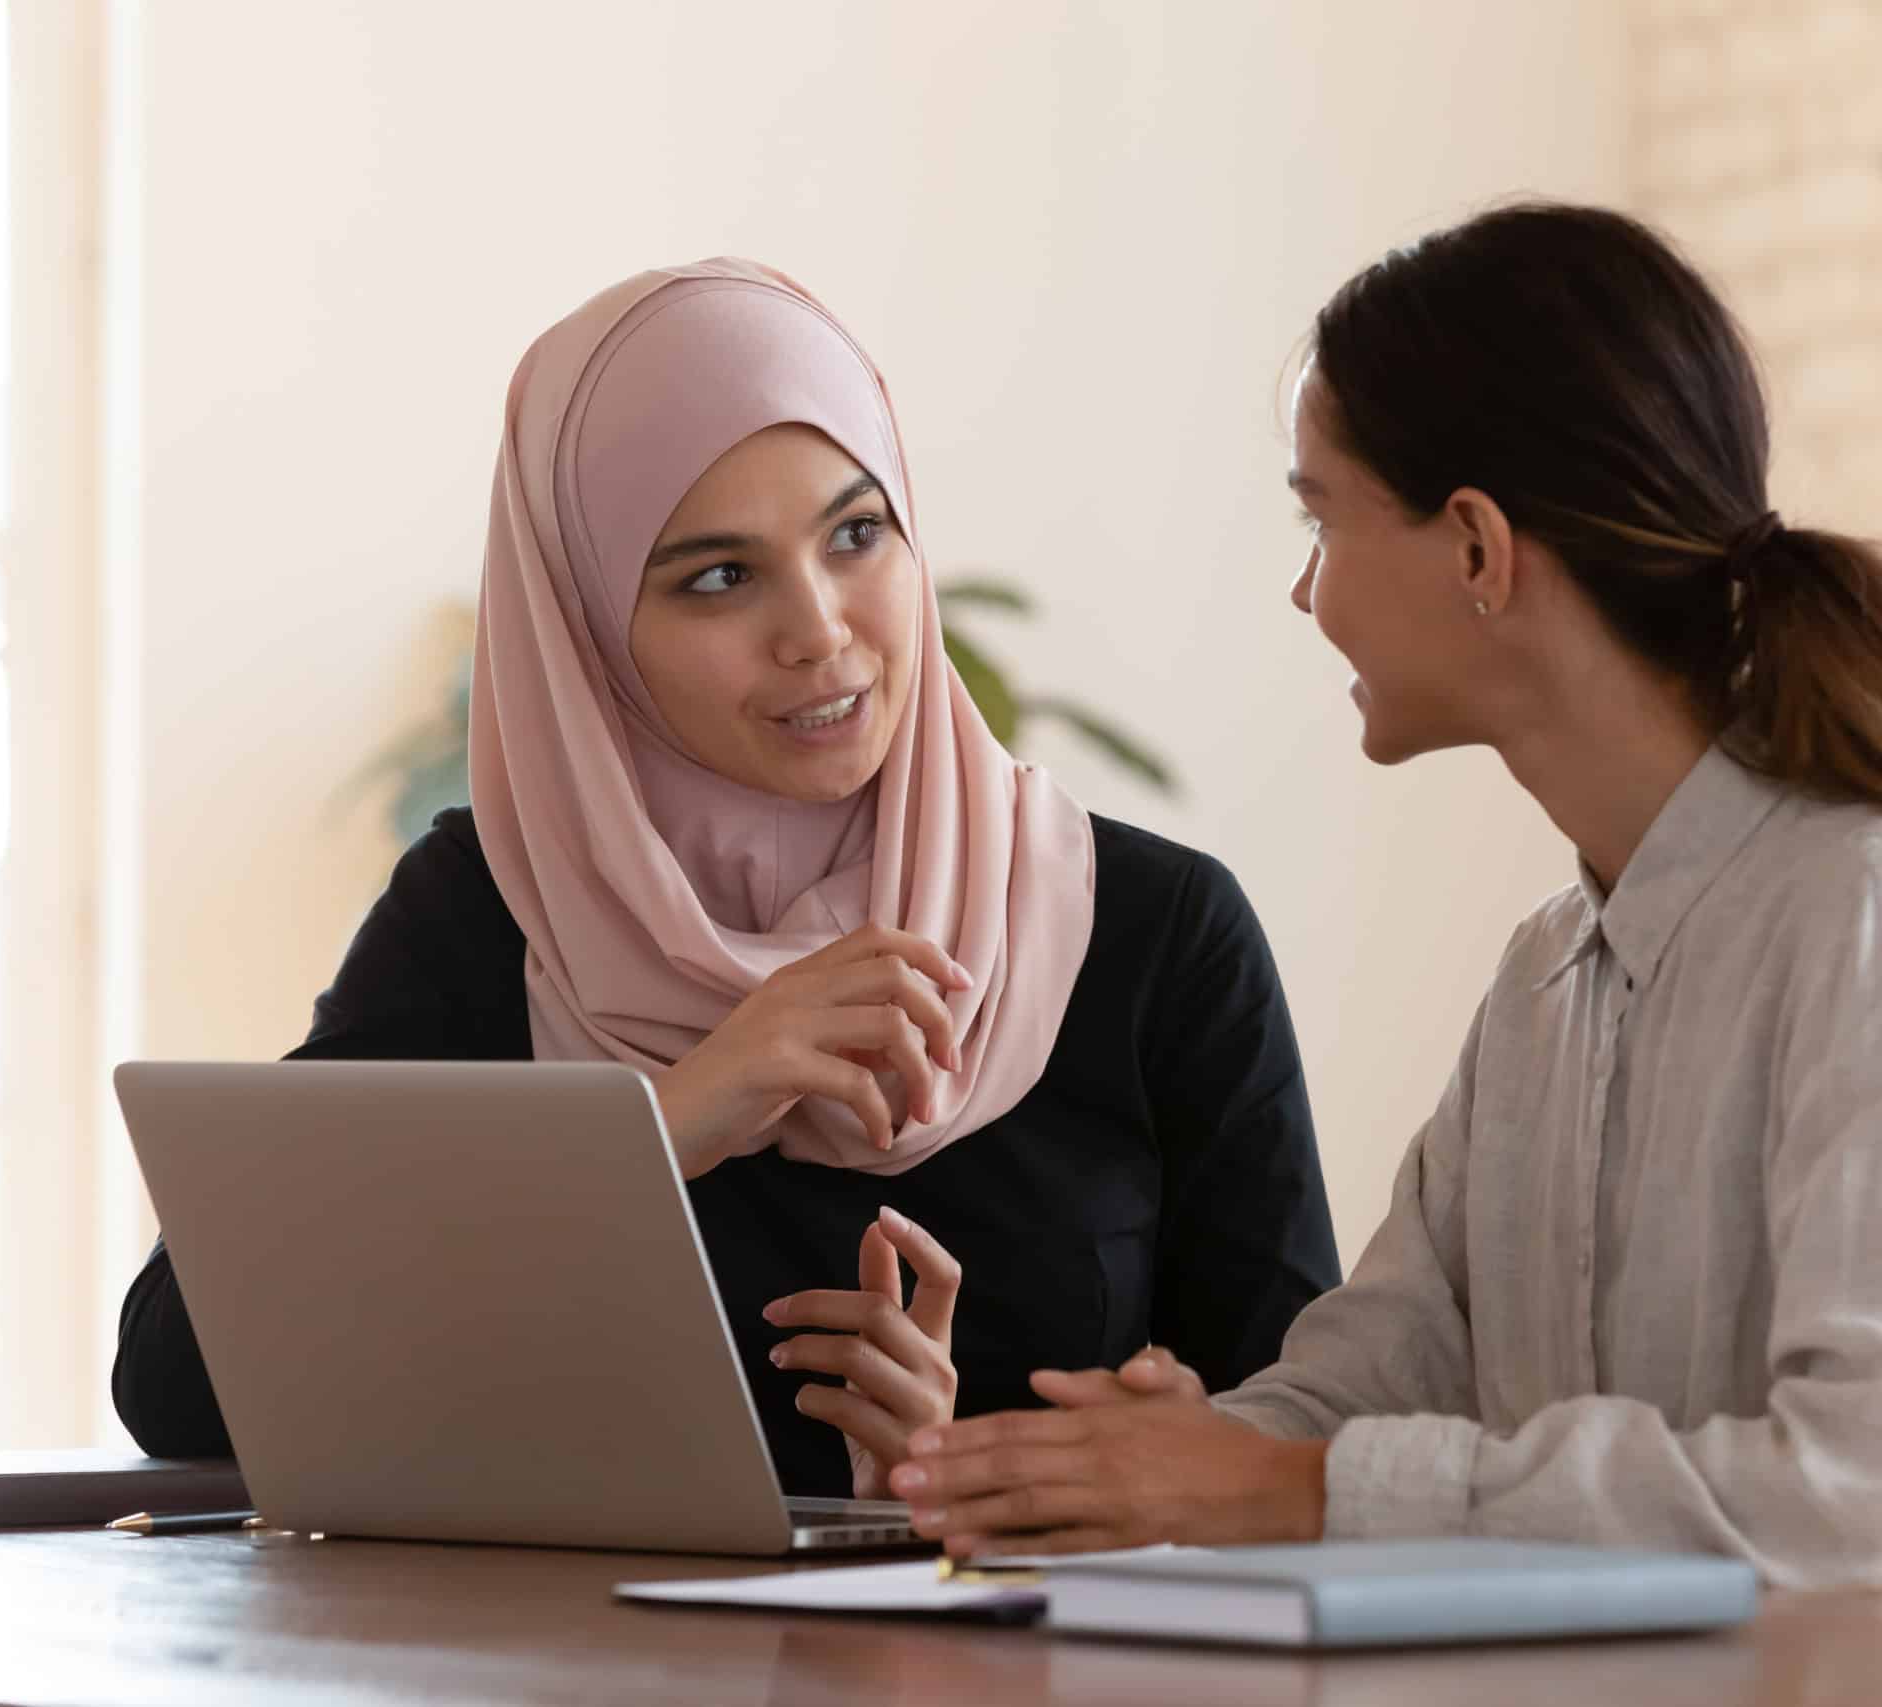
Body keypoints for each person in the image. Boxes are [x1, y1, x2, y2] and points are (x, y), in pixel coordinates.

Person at [891, 204, 1882, 1618]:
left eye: (1320, 517)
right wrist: (1160, 1457)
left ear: (1476, 551)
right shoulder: (1543, 980)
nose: (1301, 584)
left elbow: (1872, 1503)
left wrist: (1294, 1487)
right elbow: (1366, 1380)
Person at [110, 259, 1340, 1499]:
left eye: (857, 534)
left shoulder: (1149, 932)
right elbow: (177, 1383)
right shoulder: (497, 913)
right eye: (717, 577)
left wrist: (957, 1481)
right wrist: (665, 1126)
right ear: (588, 632)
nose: (818, 630)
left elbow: (1288, 1449)